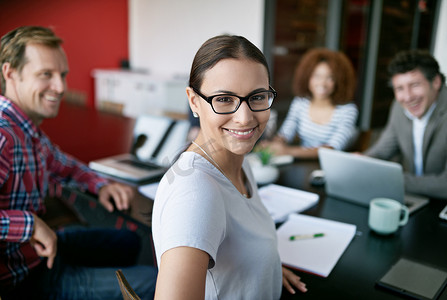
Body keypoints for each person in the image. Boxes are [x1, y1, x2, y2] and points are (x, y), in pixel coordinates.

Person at [0, 26, 157, 299]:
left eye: (62, 75)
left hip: (39, 252)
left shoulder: (26, 129)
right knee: (157, 282)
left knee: (130, 242)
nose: (60, 87)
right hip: (25, 279)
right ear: (10, 73)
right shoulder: (3, 135)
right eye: (45, 75)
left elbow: (66, 166)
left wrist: (100, 185)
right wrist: (31, 224)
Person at [152, 35, 307, 299]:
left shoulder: (236, 161)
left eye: (257, 96)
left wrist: (264, 267)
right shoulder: (195, 194)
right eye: (224, 99)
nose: (245, 118)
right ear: (194, 101)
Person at [364, 49, 447, 200]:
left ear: (435, 82)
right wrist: (359, 163)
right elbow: (382, 151)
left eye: (415, 85)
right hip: (415, 199)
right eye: (399, 88)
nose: (408, 97)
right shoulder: (398, 107)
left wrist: (392, 179)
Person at [262, 48, 358, 159]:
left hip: (331, 167)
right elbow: (286, 133)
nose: (322, 83)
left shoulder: (348, 110)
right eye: (317, 76)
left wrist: (288, 151)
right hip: (302, 165)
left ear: (339, 81)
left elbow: (332, 149)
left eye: (330, 78)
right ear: (307, 77)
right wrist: (274, 144)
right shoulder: (300, 102)